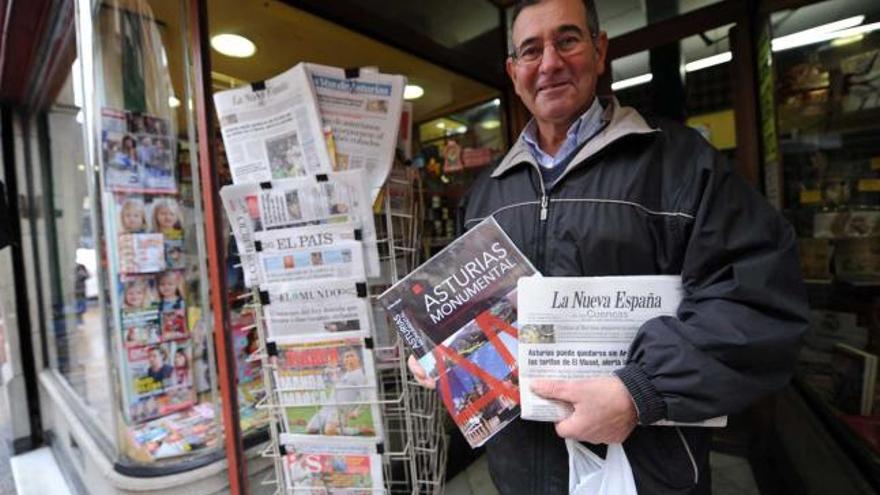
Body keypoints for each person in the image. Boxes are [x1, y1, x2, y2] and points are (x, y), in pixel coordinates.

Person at [408, 0, 809, 493]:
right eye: (531, 51)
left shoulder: (683, 166)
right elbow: (475, 321)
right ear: (513, 73)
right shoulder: (486, 193)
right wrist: (442, 352)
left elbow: (759, 301)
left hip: (646, 474)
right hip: (520, 475)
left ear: (599, 51)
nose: (549, 62)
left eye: (568, 40)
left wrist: (640, 392)